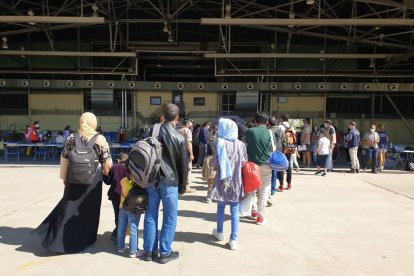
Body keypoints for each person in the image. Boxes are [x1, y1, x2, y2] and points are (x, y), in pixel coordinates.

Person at [34, 112, 112, 253]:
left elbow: (64, 158)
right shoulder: (100, 139)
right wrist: (107, 174)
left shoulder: (71, 137)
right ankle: (87, 238)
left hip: (73, 179)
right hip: (93, 181)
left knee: (68, 209)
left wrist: (64, 178)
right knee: (89, 211)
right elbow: (106, 162)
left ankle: (60, 240)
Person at [143, 103, 189, 264]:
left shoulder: (151, 131)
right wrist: (183, 186)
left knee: (151, 214)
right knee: (170, 217)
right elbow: (183, 165)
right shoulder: (179, 137)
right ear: (177, 118)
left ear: (163, 115)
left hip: (151, 180)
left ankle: (149, 251)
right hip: (170, 181)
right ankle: (164, 252)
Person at [209, 118, 247, 250]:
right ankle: (233, 239)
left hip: (222, 181)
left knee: (220, 207)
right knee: (234, 210)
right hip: (236, 181)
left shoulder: (220, 143)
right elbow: (244, 162)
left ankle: (219, 233)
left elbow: (213, 164)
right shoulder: (241, 144)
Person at [245, 112, 273, 225]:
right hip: (266, 165)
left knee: (251, 190)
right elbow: (273, 148)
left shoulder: (249, 131)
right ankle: (260, 217)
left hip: (252, 165)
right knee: (264, 191)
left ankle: (253, 212)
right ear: (267, 122)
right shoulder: (270, 132)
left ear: (254, 121)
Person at [117, 174, 145, 258]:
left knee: (121, 227)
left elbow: (122, 194)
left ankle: (120, 247)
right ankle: (133, 251)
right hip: (133, 209)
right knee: (133, 228)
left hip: (123, 207)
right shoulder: (139, 181)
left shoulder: (123, 180)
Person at [103, 152, 128, 242]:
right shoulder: (130, 168)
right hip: (126, 196)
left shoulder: (115, 167)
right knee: (126, 216)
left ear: (118, 160)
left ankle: (117, 234)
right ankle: (118, 233)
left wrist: (104, 173)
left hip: (115, 195)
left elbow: (108, 181)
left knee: (117, 215)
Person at [179, 119, 195, 193]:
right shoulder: (188, 131)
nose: (192, 124)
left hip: (179, 152)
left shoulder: (178, 130)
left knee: (181, 169)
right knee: (188, 169)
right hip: (186, 153)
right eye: (191, 122)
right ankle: (186, 187)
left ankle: (181, 186)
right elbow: (189, 143)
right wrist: (191, 154)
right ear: (188, 124)